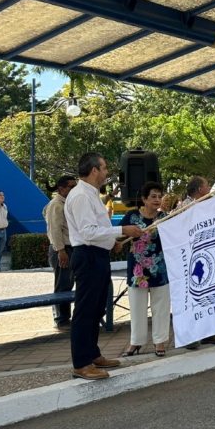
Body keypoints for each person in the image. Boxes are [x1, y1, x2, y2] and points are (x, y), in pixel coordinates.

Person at [65, 153, 143, 380]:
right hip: (87, 256)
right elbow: (87, 233)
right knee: (85, 311)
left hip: (97, 255)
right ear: (93, 170)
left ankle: (92, 354)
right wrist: (122, 231)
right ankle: (81, 363)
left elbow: (97, 229)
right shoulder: (80, 196)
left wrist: (112, 243)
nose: (107, 172)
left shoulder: (90, 195)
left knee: (97, 307)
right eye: (104, 168)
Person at [120, 182, 172, 357]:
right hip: (138, 271)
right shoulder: (131, 216)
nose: (157, 200)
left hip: (160, 269)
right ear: (144, 199)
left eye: (159, 196)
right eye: (153, 196)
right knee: (137, 308)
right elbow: (120, 235)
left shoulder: (164, 217)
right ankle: (136, 342)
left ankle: (160, 342)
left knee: (161, 307)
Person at [176, 176, 215, 348]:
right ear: (199, 190)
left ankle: (208, 333)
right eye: (207, 185)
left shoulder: (203, 204)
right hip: (190, 258)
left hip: (203, 256)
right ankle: (189, 337)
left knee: (206, 296)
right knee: (191, 299)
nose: (210, 187)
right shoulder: (184, 206)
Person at [44, 175, 77, 327]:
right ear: (61, 189)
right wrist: (61, 251)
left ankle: (66, 317)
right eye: (71, 186)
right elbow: (54, 230)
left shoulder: (69, 203)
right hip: (63, 249)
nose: (74, 189)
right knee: (63, 285)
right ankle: (62, 319)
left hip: (71, 248)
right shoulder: (56, 205)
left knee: (69, 284)